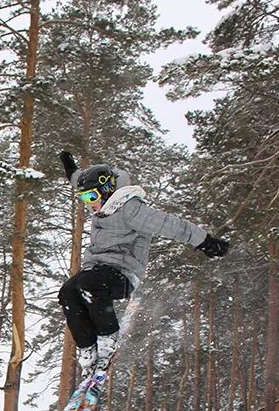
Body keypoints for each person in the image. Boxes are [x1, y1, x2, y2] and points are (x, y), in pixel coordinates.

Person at [57, 151, 229, 385]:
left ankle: (108, 338)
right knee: (68, 291)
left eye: (92, 197)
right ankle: (88, 350)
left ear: (107, 190)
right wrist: (70, 170)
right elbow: (79, 179)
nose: (91, 204)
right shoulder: (101, 202)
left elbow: (171, 225)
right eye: (85, 199)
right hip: (97, 269)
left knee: (88, 285)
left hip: (123, 273)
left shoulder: (131, 209)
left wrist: (205, 241)